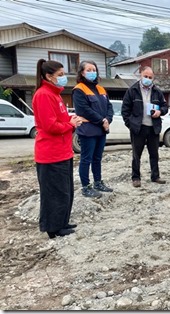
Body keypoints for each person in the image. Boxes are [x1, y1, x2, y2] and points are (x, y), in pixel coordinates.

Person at [32, 59, 82, 239]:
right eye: (60, 75)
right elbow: (50, 125)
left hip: (62, 151)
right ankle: (53, 228)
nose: (64, 78)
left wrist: (70, 119)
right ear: (48, 76)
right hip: (50, 154)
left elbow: (59, 118)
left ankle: (62, 221)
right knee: (54, 193)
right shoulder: (43, 94)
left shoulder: (55, 94)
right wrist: (71, 124)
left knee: (65, 190)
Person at [73, 60, 114, 198]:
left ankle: (98, 182)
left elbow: (109, 107)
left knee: (97, 158)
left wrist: (108, 119)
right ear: (82, 72)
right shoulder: (79, 89)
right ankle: (86, 186)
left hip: (101, 130)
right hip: (88, 130)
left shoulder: (101, 89)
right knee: (86, 159)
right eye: (88, 70)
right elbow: (84, 110)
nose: (92, 72)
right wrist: (102, 120)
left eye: (94, 69)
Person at [121, 66, 168, 187]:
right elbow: (125, 111)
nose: (147, 79)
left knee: (154, 153)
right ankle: (136, 177)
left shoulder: (157, 91)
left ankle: (155, 176)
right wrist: (131, 125)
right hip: (138, 128)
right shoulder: (132, 91)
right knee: (137, 154)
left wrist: (160, 112)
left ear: (153, 78)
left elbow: (165, 107)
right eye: (145, 76)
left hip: (153, 127)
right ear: (140, 75)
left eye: (150, 77)